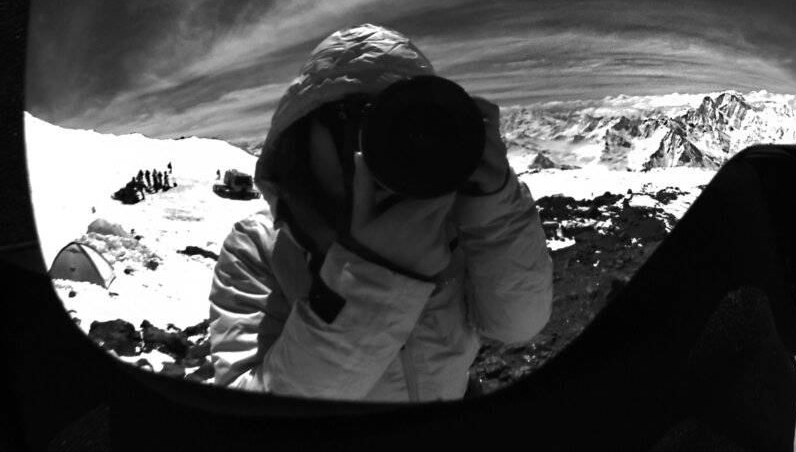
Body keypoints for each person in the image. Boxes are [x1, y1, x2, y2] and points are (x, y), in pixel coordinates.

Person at [207, 23, 553, 401]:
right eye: (356, 120)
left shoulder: (456, 216)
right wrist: (370, 278)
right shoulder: (260, 248)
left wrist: (496, 210)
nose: (382, 145)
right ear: (303, 135)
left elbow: (517, 325)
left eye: (410, 125)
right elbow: (249, 410)